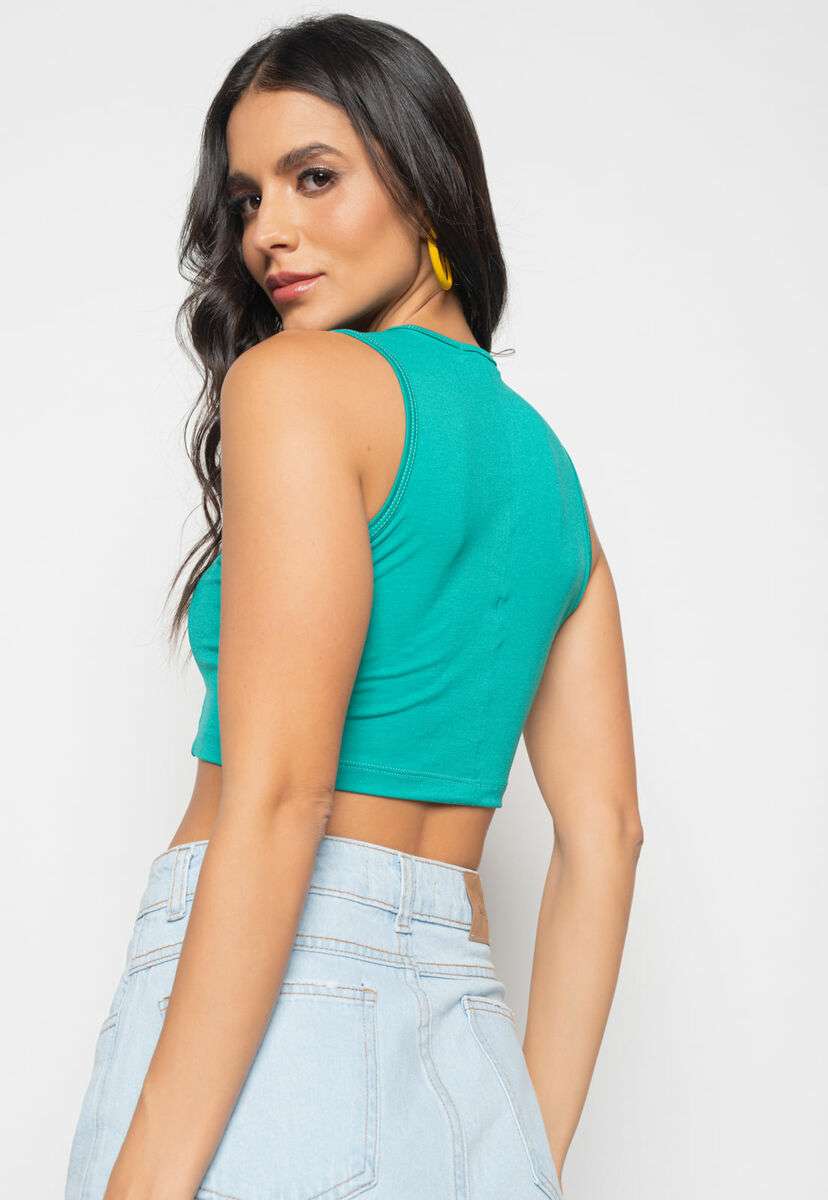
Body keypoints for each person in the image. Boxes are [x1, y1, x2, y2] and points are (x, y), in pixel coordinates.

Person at [65, 13, 643, 1200]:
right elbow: (607, 837)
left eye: (314, 177)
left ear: (425, 180)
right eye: (247, 198)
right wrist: (524, 1154)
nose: (267, 232)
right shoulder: (552, 476)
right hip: (470, 1061)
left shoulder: (298, 383)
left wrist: (145, 1182)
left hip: (282, 1034)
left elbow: (282, 796)